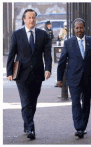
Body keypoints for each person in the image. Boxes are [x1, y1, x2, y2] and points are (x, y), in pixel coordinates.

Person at [57, 18, 91, 139]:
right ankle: (79, 127)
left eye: (81, 27)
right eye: (77, 28)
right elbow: (62, 62)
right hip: (73, 78)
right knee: (75, 102)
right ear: (74, 29)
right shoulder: (68, 43)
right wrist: (59, 79)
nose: (79, 30)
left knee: (86, 103)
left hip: (88, 78)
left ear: (85, 28)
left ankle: (83, 126)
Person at [6, 9, 52, 139]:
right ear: (24, 20)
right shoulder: (17, 34)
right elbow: (11, 54)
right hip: (21, 74)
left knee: (32, 102)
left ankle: (27, 125)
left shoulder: (43, 35)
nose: (32, 20)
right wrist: (9, 72)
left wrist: (48, 69)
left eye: (33, 18)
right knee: (26, 102)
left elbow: (47, 55)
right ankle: (31, 129)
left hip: (37, 74)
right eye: (29, 18)